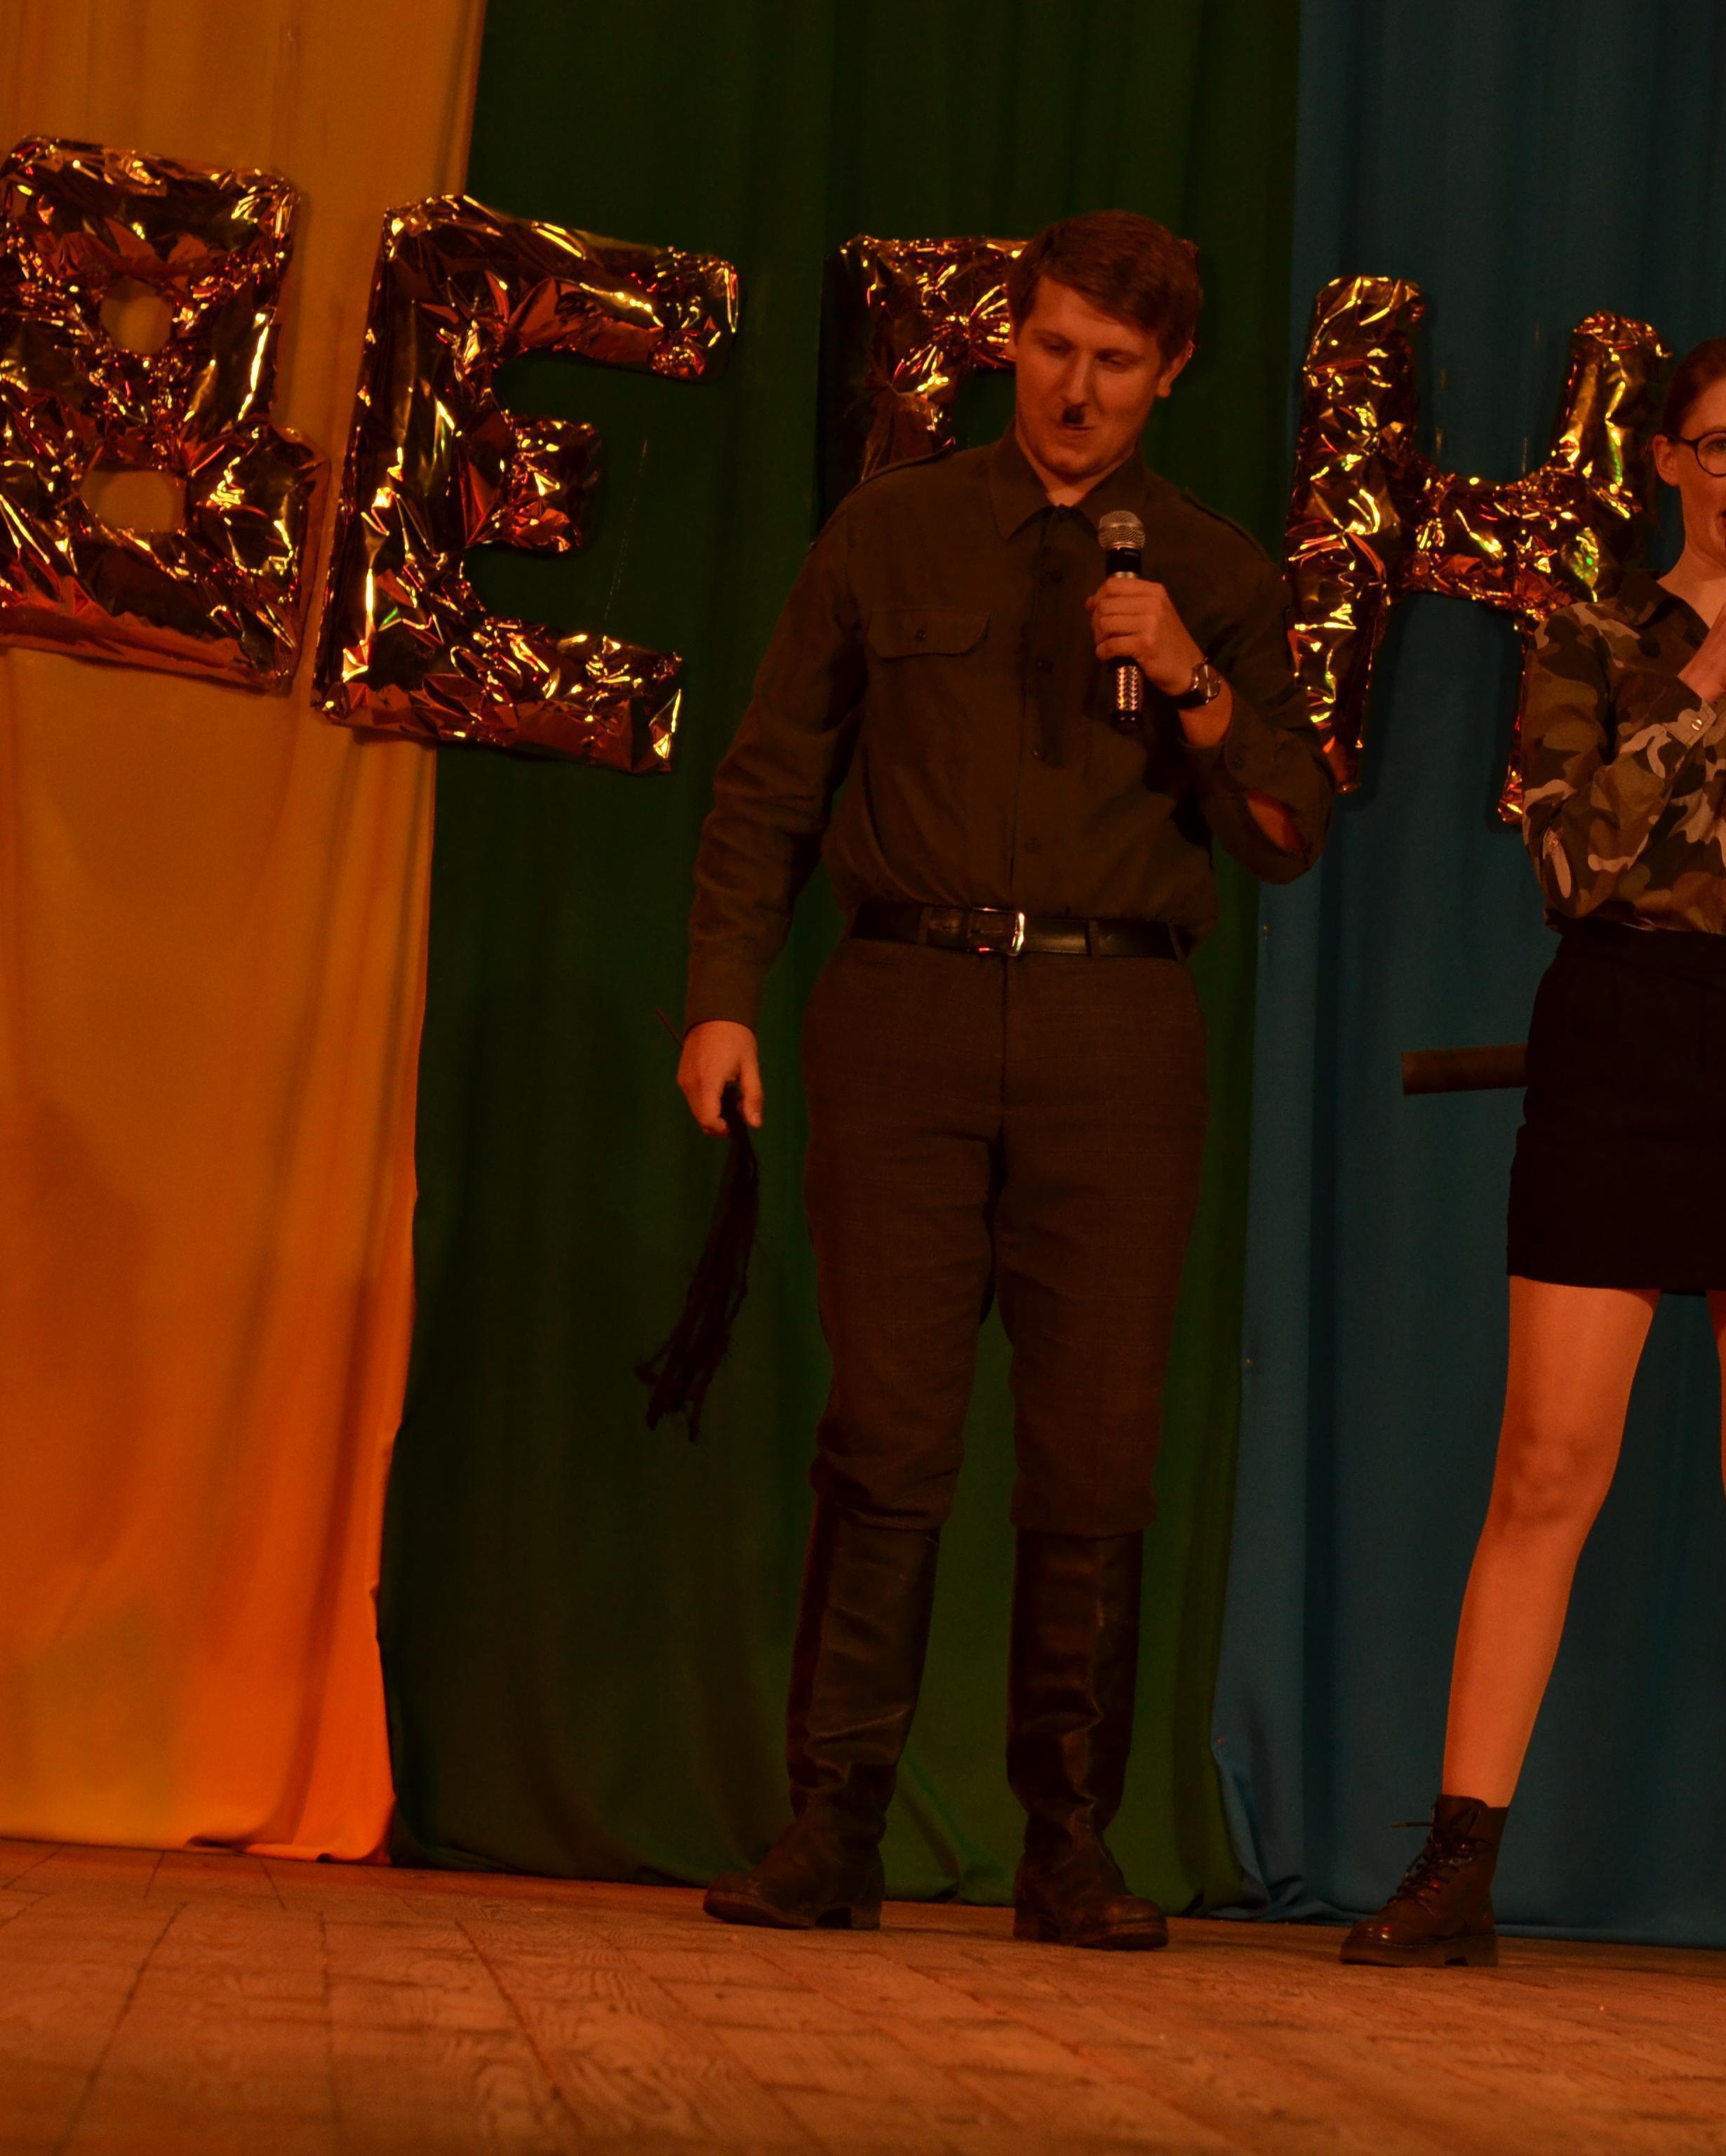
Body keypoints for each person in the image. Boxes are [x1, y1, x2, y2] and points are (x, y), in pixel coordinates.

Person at [678, 210, 1332, 1952]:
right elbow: (771, 780)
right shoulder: (889, 531)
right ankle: (834, 1828)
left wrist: (1191, 679)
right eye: (1051, 349)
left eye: (1114, 363)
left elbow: (1288, 830)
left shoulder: (1215, 572)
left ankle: (1072, 1848)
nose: (1075, 388)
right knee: (887, 1430)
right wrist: (723, 998)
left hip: (1116, 1034)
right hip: (905, 1007)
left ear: (1168, 375)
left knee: (1097, 1449)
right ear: (1010, 343)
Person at [1339, 335, 1726, 1992]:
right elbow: (1567, 859)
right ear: (1669, 462)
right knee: (1548, 1466)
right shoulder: (1591, 640)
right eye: (1724, 447)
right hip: (1618, 1041)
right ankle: (1458, 1865)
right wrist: (1697, 687)